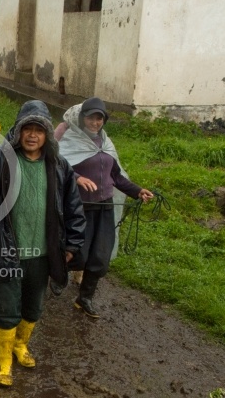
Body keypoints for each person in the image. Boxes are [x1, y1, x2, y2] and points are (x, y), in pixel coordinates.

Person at [0, 100, 86, 387]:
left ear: (47, 136)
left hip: (42, 253)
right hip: (5, 250)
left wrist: (71, 246)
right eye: (26, 129)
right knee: (7, 309)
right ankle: (3, 361)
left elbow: (74, 208)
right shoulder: (1, 160)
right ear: (17, 132)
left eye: (38, 130)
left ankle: (20, 346)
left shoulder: (60, 167)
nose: (32, 135)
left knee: (33, 309)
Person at [54, 97, 154, 319]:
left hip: (104, 207)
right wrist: (77, 178)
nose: (95, 122)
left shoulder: (106, 144)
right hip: (78, 207)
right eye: (91, 117)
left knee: (100, 255)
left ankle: (85, 298)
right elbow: (56, 167)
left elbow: (116, 176)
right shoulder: (68, 141)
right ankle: (57, 275)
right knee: (77, 252)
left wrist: (137, 191)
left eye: (100, 118)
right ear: (82, 118)